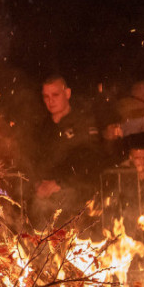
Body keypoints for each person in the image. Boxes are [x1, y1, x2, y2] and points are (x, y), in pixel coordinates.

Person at [29, 76, 102, 225]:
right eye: (46, 96)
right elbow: (32, 159)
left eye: (55, 95)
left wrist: (59, 182)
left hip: (77, 202)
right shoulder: (41, 127)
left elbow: (89, 160)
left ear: (67, 94)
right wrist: (36, 183)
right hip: (44, 204)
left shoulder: (83, 123)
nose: (51, 101)